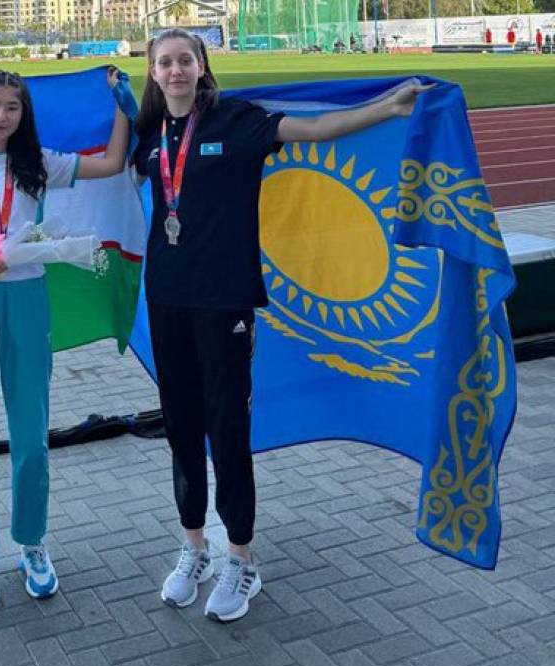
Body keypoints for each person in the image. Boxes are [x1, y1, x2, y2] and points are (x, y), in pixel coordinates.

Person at [130, 28, 431, 623]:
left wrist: (387, 108)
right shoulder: (148, 133)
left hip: (224, 302)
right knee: (181, 427)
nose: (175, 70)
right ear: (153, 72)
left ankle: (241, 558)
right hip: (166, 298)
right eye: (164, 62)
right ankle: (194, 548)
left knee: (226, 428)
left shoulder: (236, 120)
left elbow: (316, 129)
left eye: (185, 60)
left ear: (201, 65)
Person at [0, 69, 130, 610]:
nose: (1, 116)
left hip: (26, 301)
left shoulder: (39, 163)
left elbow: (112, 163)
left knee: (30, 435)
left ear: (24, 115)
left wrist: (122, 105)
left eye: (12, 107)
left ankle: (32, 544)